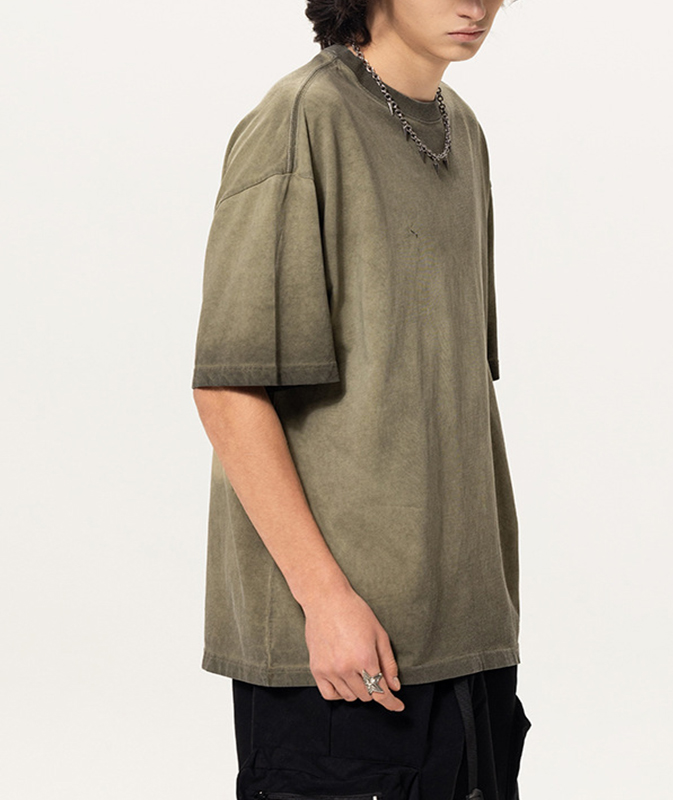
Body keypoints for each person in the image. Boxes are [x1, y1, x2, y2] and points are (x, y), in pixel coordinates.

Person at [191, 1, 531, 798]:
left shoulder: (461, 129)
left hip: (469, 647)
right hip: (344, 656)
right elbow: (230, 388)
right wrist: (326, 601)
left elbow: (443, 390)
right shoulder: (301, 119)